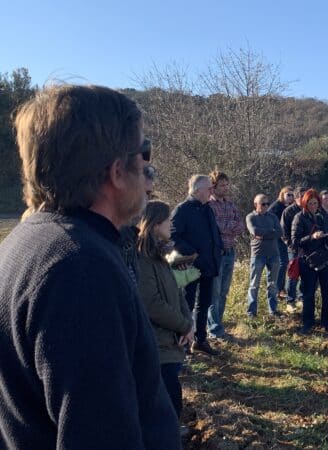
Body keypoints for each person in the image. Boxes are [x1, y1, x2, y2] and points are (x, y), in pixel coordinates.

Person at [0, 85, 181, 449]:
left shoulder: (26, 242)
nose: (149, 168)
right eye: (144, 152)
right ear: (116, 171)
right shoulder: (80, 269)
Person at [137, 200, 197, 427]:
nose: (171, 225)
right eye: (168, 220)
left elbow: (177, 293)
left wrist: (189, 325)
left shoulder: (161, 255)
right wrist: (182, 325)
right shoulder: (142, 258)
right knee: (168, 406)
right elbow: (152, 303)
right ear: (154, 225)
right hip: (158, 345)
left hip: (172, 341)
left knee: (173, 405)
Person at [171, 175, 223, 356]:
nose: (212, 191)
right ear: (197, 190)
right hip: (189, 266)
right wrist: (192, 252)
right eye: (209, 189)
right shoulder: (182, 210)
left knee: (205, 303)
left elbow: (213, 233)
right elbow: (173, 235)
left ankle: (201, 340)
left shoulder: (207, 208)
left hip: (209, 265)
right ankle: (184, 344)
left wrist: (219, 249)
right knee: (187, 304)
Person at [291, 189, 328, 335]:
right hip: (308, 261)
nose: (313, 206)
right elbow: (295, 242)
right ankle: (307, 324)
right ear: (305, 203)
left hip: (325, 259)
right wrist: (312, 237)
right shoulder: (299, 218)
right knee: (308, 294)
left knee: (327, 294)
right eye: (310, 203)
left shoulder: (324, 216)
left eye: (315, 203)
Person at [207, 170, 245, 339]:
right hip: (217, 254)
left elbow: (240, 226)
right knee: (214, 292)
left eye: (227, 184)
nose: (225, 188)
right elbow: (216, 226)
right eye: (222, 185)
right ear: (213, 187)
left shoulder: (230, 205)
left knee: (223, 292)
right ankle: (213, 329)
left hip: (230, 252)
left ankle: (218, 324)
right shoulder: (209, 205)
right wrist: (229, 226)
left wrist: (226, 227)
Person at [246, 194, 283, 317]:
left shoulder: (273, 217)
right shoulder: (250, 217)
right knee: (254, 285)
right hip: (258, 254)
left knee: (273, 284)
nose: (266, 206)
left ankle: (273, 310)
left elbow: (279, 232)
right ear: (255, 204)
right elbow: (255, 231)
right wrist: (270, 232)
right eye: (263, 204)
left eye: (267, 203)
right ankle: (251, 312)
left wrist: (265, 234)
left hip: (274, 254)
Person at [281, 186, 308, 312]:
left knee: (306, 275)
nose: (305, 198)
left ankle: (302, 298)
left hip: (308, 248)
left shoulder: (309, 210)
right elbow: (284, 232)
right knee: (293, 275)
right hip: (294, 249)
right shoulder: (288, 211)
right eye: (302, 196)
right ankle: (290, 301)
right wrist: (292, 246)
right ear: (296, 197)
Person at [268, 185, 294, 299]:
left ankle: (285, 288)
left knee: (289, 263)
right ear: (282, 194)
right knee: (283, 263)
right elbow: (268, 219)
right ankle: (279, 289)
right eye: (288, 194)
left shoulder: (290, 207)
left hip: (288, 239)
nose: (290, 197)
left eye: (292, 195)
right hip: (278, 239)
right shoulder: (276, 206)